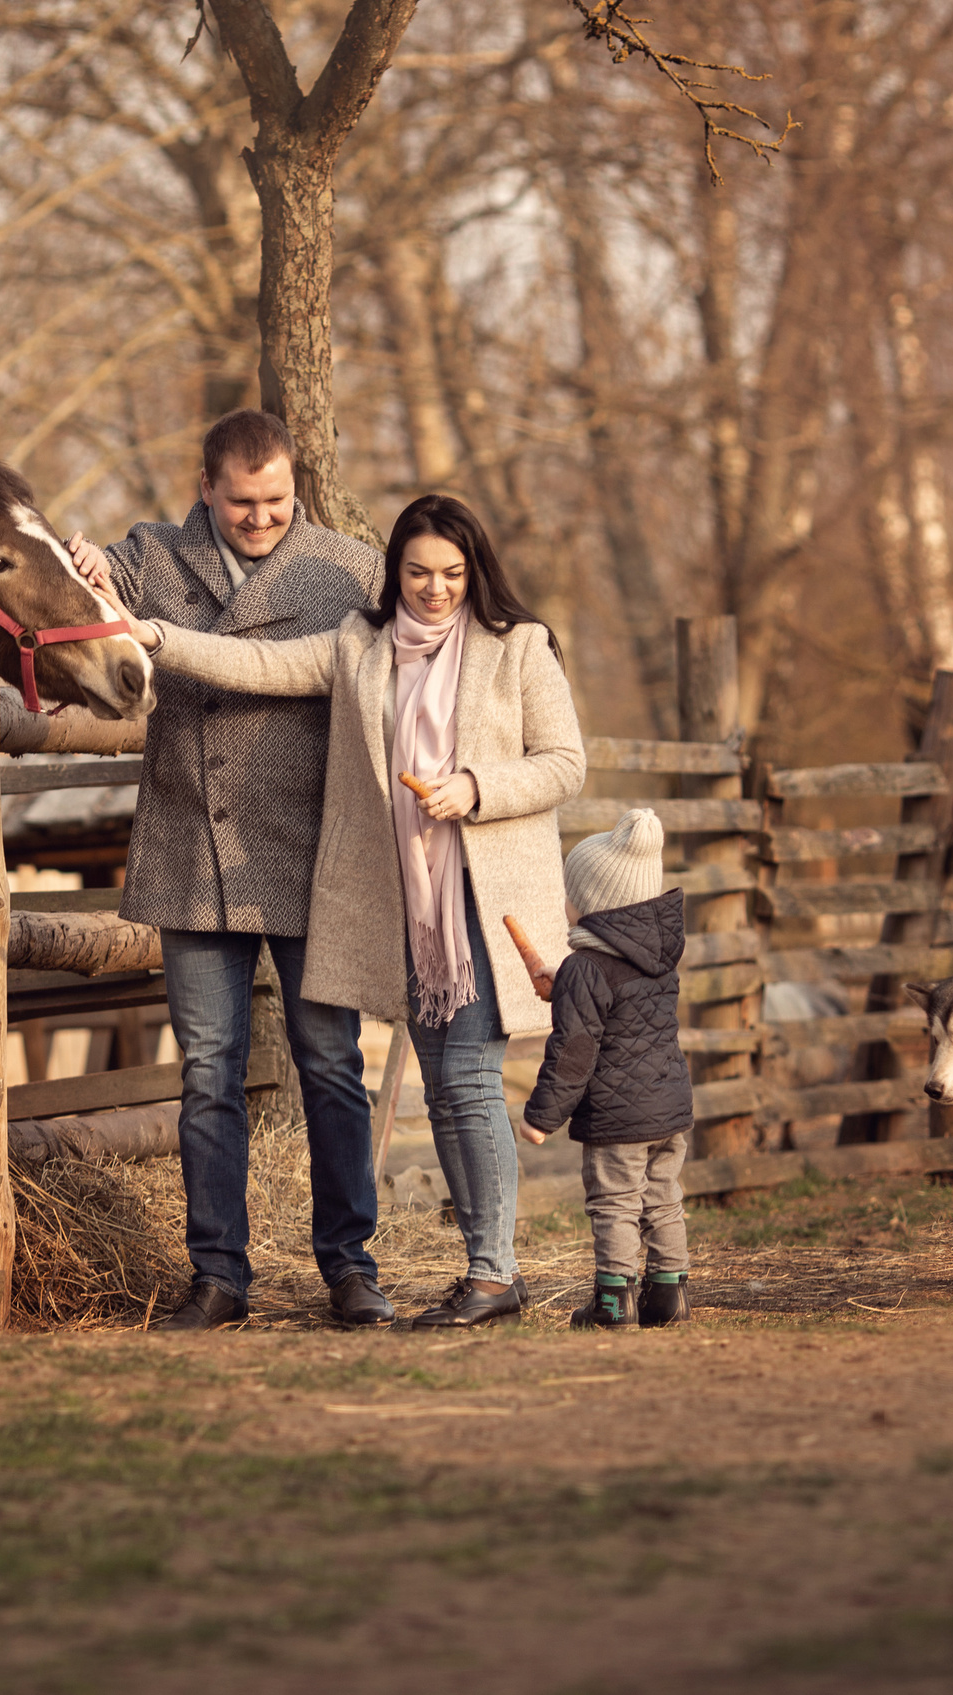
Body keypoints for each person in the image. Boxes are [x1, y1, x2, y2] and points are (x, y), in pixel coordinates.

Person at [95, 494, 585, 1328]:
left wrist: (476, 788)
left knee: (467, 1081)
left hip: (483, 896)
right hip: (409, 902)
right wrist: (158, 637)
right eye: (419, 572)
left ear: (477, 573)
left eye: (453, 574)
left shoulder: (518, 648)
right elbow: (266, 667)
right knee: (443, 1089)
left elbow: (566, 763)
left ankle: (495, 1272)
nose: (435, 590)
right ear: (395, 572)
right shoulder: (364, 644)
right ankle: (485, 1273)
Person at [61, 409, 391, 1331]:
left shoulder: (347, 572)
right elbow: (87, 590)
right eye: (241, 501)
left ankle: (350, 1267)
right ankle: (219, 1276)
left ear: (299, 487)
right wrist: (80, 564)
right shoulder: (153, 555)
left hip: (308, 852)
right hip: (192, 851)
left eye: (277, 500)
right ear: (206, 487)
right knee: (209, 1071)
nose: (259, 517)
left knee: (330, 1065)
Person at [521, 811, 696, 1329]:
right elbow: (620, 1011)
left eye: (570, 894)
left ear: (594, 905)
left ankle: (614, 1303)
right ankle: (669, 1294)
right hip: (668, 1108)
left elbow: (575, 1049)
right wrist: (568, 985)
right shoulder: (659, 959)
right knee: (663, 1199)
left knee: (615, 1204)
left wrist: (541, 1116)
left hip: (619, 1119)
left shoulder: (585, 969)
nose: (565, 904)